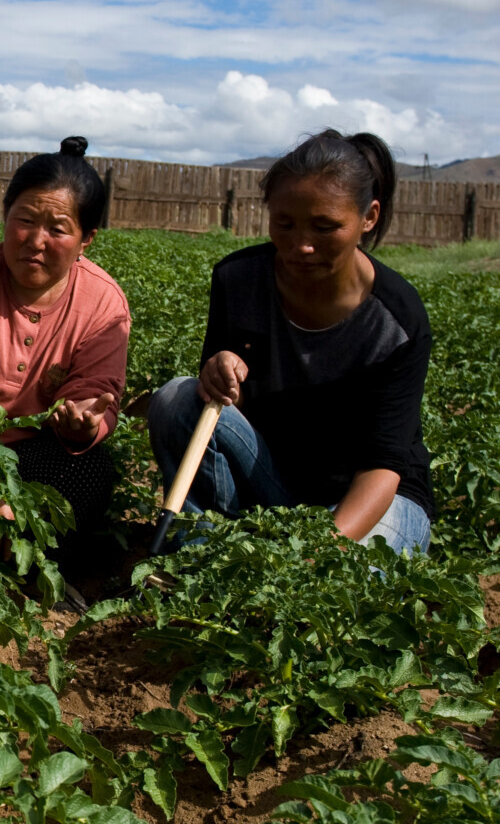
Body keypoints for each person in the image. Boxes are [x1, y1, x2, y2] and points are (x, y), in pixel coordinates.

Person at [147, 129, 433, 554]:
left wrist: (322, 551)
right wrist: (219, 373)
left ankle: (276, 560)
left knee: (344, 589)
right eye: (285, 223)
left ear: (368, 218)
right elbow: (224, 414)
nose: (301, 245)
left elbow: (383, 466)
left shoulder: (397, 320)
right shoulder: (239, 280)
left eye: (325, 226)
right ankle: (200, 555)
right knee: (177, 398)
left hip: (371, 500)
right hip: (276, 485)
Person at [0, 136, 129, 549]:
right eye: (26, 220)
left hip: (39, 457)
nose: (36, 241)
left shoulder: (104, 303)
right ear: (4, 215)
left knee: (90, 469)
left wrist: (82, 425)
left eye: (57, 229)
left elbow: (95, 394)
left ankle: (26, 557)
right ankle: (9, 553)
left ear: (87, 239)